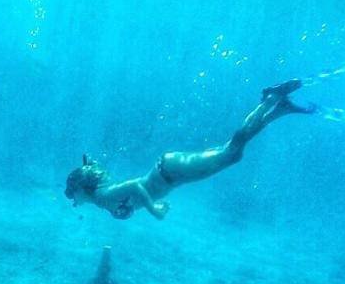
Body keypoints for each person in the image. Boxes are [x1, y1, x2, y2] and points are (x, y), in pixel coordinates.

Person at [64, 79, 317, 220]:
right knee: (233, 155)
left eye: (71, 193)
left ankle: (271, 99)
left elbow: (133, 187)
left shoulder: (102, 196)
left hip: (170, 171)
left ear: (81, 188)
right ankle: (279, 110)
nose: (72, 201)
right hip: (172, 174)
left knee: (231, 151)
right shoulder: (101, 200)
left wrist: (153, 210)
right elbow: (129, 197)